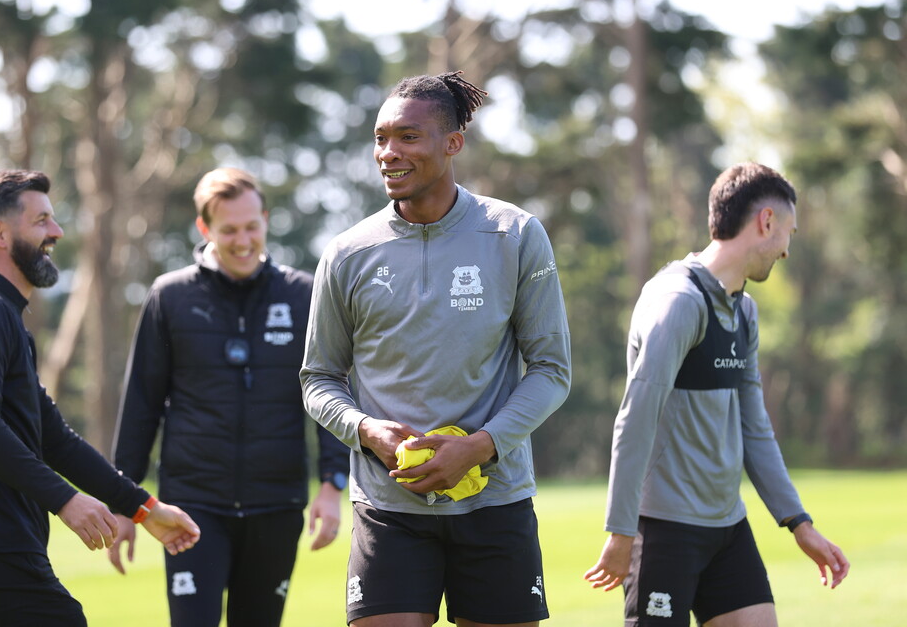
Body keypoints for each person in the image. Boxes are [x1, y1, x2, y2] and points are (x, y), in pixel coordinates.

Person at [300, 71, 571, 627]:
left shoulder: (515, 234)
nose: (388, 153)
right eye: (380, 138)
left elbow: (551, 369)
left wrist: (479, 447)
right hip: (388, 508)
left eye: (407, 137)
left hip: (495, 503)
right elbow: (318, 377)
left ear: (453, 144)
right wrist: (364, 430)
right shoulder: (347, 253)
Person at [583, 163, 850, 626]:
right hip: (664, 530)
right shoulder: (678, 301)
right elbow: (636, 418)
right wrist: (621, 533)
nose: (787, 248)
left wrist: (798, 523)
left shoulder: (743, 310)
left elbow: (755, 427)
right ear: (766, 221)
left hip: (727, 528)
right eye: (789, 231)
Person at [0, 170, 200, 627]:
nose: (57, 232)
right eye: (42, 220)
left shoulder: (0, 315)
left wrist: (143, 508)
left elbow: (54, 438)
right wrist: (65, 499)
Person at [110, 167, 350, 627]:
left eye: (251, 227)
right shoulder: (170, 296)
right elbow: (141, 404)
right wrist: (126, 501)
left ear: (266, 219)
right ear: (205, 229)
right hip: (191, 507)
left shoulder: (303, 295)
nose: (243, 241)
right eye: (229, 230)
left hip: (277, 504)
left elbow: (330, 388)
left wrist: (332, 482)